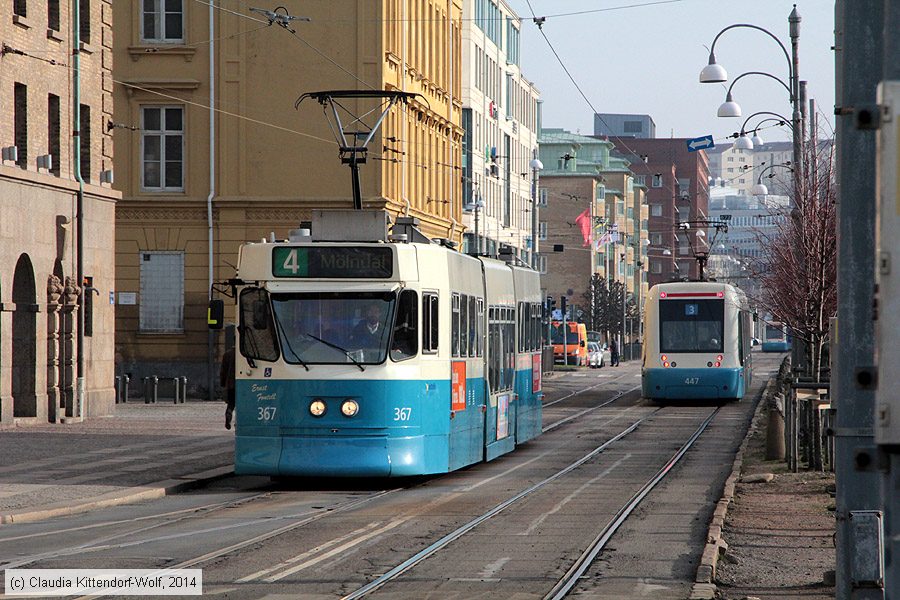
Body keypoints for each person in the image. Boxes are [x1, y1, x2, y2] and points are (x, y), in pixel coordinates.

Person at [220, 346, 236, 429]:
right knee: (242, 404)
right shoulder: (243, 354)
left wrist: (223, 383)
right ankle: (238, 422)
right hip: (241, 383)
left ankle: (228, 416)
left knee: (231, 403)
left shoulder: (227, 354)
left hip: (230, 384)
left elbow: (223, 370)